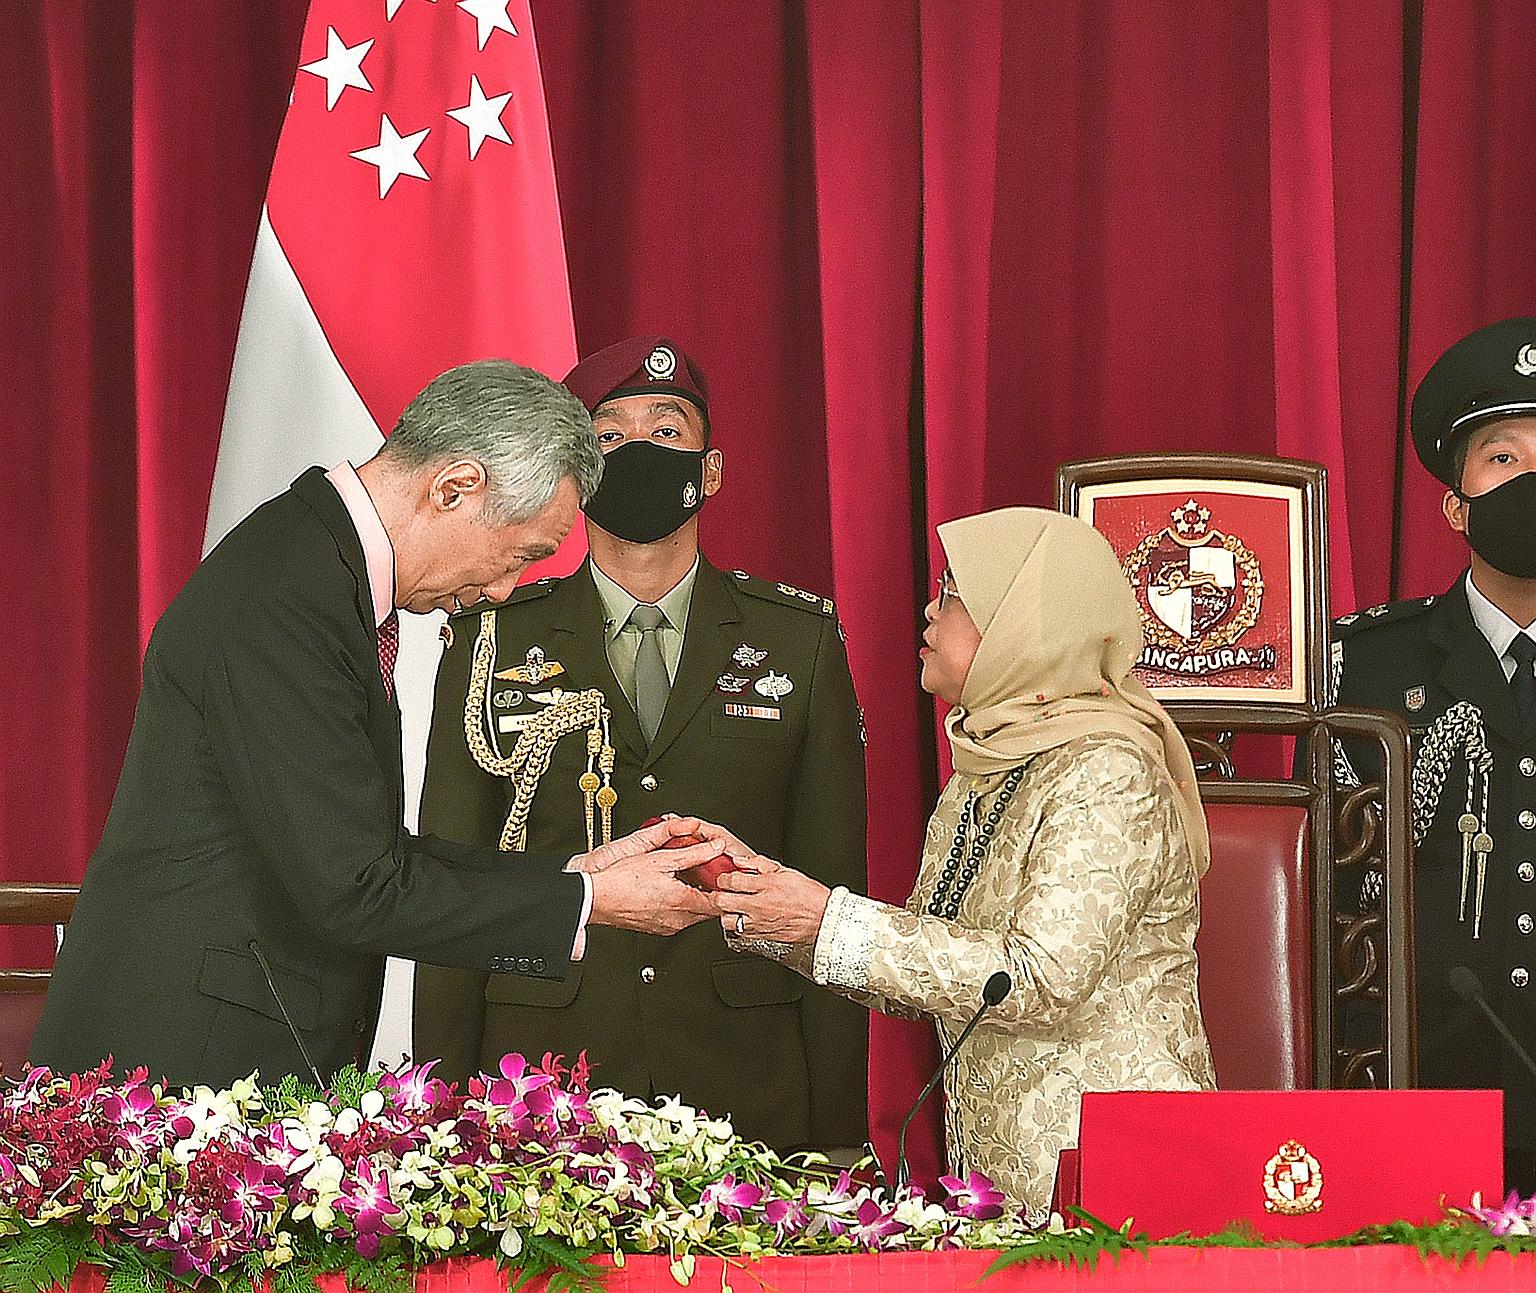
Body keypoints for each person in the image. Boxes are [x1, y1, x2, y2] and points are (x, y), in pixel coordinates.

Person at [31, 359, 719, 1089]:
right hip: (172, 1074)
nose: (500, 589)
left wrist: (576, 872)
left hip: (223, 1063)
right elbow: (356, 886)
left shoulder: (318, 566)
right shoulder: (290, 596)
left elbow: (365, 850)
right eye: (521, 555)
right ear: (455, 488)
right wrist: (590, 903)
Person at [413, 336, 869, 1153]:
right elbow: (450, 885)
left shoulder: (800, 641)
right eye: (611, 436)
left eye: (667, 431)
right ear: (576, 470)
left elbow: (830, 892)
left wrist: (836, 1133)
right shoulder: (489, 638)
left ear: (714, 467)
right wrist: (443, 1118)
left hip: (748, 1088)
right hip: (542, 1087)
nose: (640, 453)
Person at [699, 507, 1216, 1215]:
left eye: (950, 591)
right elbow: (921, 971)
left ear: (1021, 624)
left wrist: (827, 917)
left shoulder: (1106, 769)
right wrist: (761, 903)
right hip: (1008, 1196)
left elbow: (1038, 976)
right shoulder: (986, 763)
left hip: (1121, 1186)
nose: (928, 609)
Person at [1331, 318, 1536, 1190]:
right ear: (1455, 503)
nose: (1532, 480)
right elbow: (1341, 885)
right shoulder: (1370, 661)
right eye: (1503, 458)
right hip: (1431, 1095)